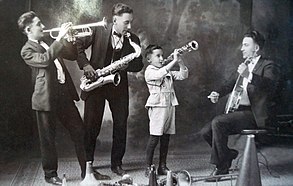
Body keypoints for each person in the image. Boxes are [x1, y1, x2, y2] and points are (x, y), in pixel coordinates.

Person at [200, 30, 281, 182]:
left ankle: (222, 168)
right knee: (205, 132)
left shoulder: (268, 65)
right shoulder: (244, 65)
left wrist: (248, 76)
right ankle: (228, 154)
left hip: (255, 115)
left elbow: (270, 86)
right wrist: (217, 93)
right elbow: (229, 84)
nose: (241, 48)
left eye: (245, 45)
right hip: (239, 113)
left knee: (218, 122)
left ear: (256, 48)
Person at [18, 11, 87, 185]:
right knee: (48, 139)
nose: (43, 26)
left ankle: (87, 171)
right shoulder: (26, 50)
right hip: (45, 98)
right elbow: (44, 60)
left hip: (63, 94)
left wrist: (69, 40)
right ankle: (50, 175)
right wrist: (59, 39)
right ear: (28, 29)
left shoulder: (49, 41)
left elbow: (71, 55)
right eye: (39, 24)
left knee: (79, 131)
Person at [75, 3, 143, 176]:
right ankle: (88, 167)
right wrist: (86, 65)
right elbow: (78, 47)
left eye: (131, 22)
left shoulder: (132, 39)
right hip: (96, 83)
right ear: (115, 20)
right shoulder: (99, 30)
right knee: (91, 126)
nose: (129, 26)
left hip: (117, 85)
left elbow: (139, 64)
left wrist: (128, 65)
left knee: (120, 126)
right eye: (126, 22)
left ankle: (117, 164)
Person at [144, 45, 188, 177]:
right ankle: (148, 167)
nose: (162, 58)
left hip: (169, 105)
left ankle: (162, 166)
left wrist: (180, 62)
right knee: (154, 138)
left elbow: (183, 75)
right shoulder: (150, 71)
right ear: (149, 59)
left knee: (166, 137)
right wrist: (173, 61)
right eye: (157, 56)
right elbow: (159, 75)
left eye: (162, 55)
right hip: (157, 106)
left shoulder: (166, 70)